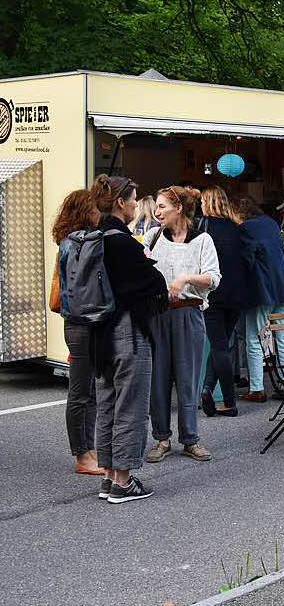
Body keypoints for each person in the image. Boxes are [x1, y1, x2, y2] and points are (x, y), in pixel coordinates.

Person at [89, 175, 169, 503]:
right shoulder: (122, 242)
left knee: (106, 403)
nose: (137, 205)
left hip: (99, 332)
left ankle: (108, 475)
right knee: (131, 404)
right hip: (128, 330)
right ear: (121, 203)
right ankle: (123, 479)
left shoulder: (93, 237)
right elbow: (154, 284)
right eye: (134, 199)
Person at [143, 186, 221, 462]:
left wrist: (186, 278)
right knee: (158, 378)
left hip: (189, 313)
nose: (156, 211)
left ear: (178, 208)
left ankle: (190, 439)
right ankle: (161, 439)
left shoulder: (203, 240)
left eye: (162, 206)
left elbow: (213, 278)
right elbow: (142, 272)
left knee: (187, 379)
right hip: (158, 313)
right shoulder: (152, 237)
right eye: (157, 206)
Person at [52, 189, 103, 475]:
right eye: (96, 209)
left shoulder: (69, 243)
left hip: (76, 322)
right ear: (86, 211)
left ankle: (89, 449)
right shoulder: (78, 244)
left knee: (87, 390)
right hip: (82, 322)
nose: (100, 213)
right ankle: (82, 455)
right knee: (81, 391)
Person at [235, 196, 284, 403]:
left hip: (262, 289)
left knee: (254, 337)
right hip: (283, 285)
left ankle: (257, 389)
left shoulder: (245, 228)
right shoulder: (270, 223)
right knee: (282, 336)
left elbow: (247, 260)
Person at [195, 187, 249, 417]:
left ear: (207, 203)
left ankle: (229, 401)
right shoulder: (237, 228)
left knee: (219, 346)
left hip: (213, 293)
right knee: (222, 345)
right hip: (237, 293)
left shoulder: (202, 228)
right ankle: (208, 388)